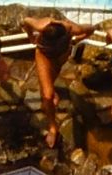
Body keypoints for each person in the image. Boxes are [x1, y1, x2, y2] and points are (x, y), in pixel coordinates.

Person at [20, 16, 95, 147]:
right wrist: (30, 36)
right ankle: (53, 127)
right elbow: (26, 20)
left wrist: (78, 39)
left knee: (51, 78)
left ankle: (49, 93)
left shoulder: (71, 28)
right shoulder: (41, 24)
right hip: (44, 56)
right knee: (48, 95)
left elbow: (91, 29)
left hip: (61, 55)